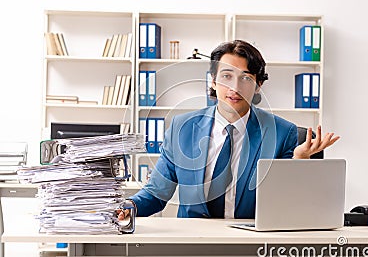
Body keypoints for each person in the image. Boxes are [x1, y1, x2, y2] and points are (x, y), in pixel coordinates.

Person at [119, 39, 339, 220]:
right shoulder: (181, 128)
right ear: (213, 81)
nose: (234, 88)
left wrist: (298, 163)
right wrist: (127, 207)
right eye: (226, 76)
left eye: (245, 78)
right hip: (192, 241)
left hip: (251, 243)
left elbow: (288, 204)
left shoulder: (283, 133)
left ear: (257, 85)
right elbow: (157, 193)